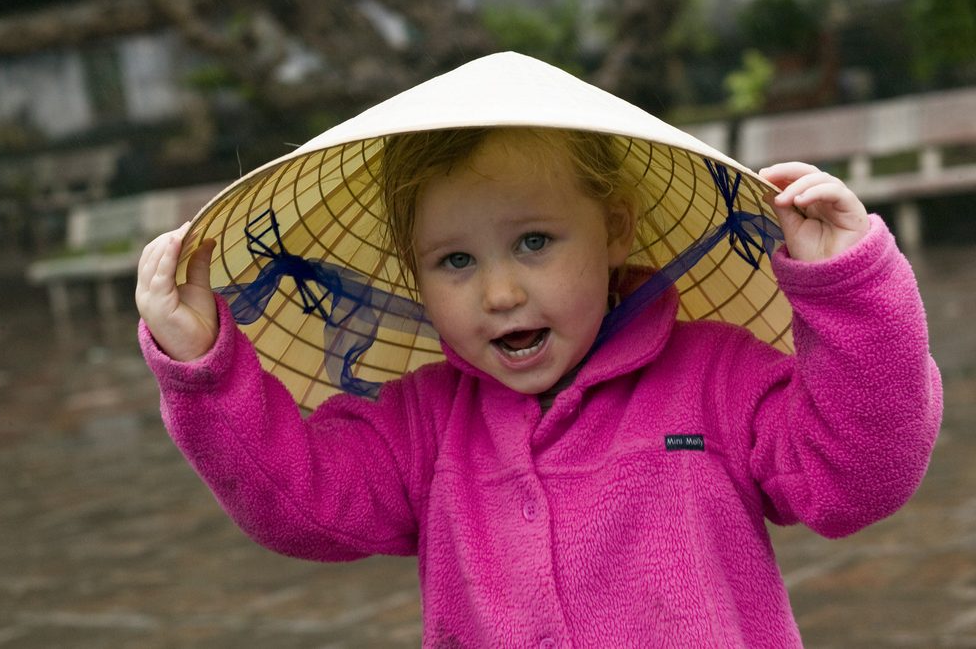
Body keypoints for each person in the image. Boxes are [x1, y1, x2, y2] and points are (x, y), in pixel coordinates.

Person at [136, 53, 941, 647]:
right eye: (455, 260)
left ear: (615, 230)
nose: (498, 293)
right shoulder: (424, 423)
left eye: (533, 242)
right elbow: (300, 504)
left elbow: (858, 475)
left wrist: (850, 290)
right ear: (415, 274)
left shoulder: (715, 376)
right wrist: (205, 370)